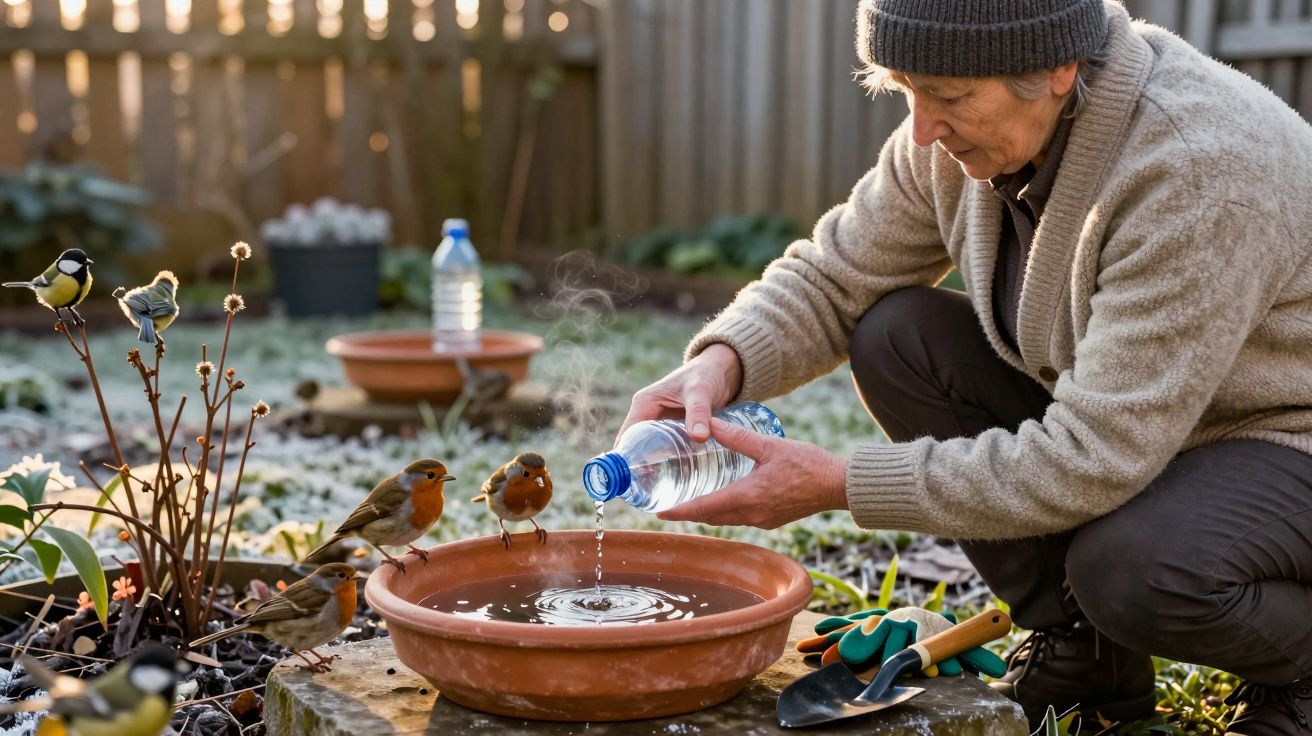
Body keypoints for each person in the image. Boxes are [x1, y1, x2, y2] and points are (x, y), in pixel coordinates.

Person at [618, 1, 1312, 733]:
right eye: (904, 89)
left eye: (946, 97)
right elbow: (836, 277)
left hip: (1286, 435)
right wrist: (724, 363)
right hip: (1155, 431)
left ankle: (1300, 675)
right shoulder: (963, 136)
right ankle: (1087, 656)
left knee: (1133, 568)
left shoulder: (1193, 169)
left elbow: (1093, 457)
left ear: (1056, 70)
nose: (921, 128)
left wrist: (839, 484)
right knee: (897, 336)